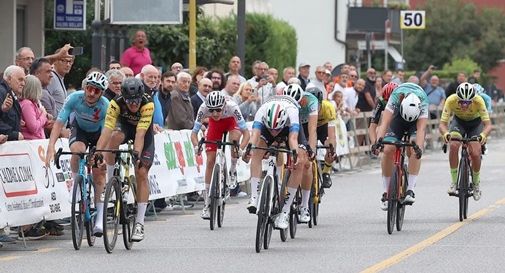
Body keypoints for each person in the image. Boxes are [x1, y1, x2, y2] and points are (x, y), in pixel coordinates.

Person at [45, 71, 109, 236]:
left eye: (97, 91)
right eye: (90, 88)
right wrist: (51, 146)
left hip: (99, 134)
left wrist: (99, 153)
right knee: (78, 151)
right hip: (79, 129)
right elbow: (59, 123)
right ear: (85, 86)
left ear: (102, 93)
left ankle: (100, 219)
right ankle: (76, 184)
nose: (92, 93)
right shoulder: (75, 98)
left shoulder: (105, 105)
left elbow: (106, 132)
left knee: (98, 173)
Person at [94, 78, 155, 242]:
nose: (133, 105)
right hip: (124, 127)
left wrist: (136, 153)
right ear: (124, 97)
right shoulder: (116, 102)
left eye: (136, 101)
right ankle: (112, 179)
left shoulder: (147, 104)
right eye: (129, 101)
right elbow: (106, 130)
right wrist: (99, 151)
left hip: (143, 132)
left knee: (141, 172)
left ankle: (140, 223)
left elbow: (141, 134)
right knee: (114, 136)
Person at [242, 96, 307, 229]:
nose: (274, 133)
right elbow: (254, 135)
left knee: (299, 163)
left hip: (288, 128)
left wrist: (294, 154)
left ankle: (285, 212)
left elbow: (293, 138)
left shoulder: (292, 113)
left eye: (276, 130)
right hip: (269, 122)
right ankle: (254, 197)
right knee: (256, 153)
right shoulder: (262, 112)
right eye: (272, 130)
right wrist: (248, 149)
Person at [191, 91, 250, 219]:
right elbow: (194, 133)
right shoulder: (203, 108)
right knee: (210, 161)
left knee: (234, 141)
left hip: (231, 122)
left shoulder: (232, 107)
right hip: (215, 126)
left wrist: (241, 148)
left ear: (224, 106)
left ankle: (233, 171)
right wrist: (197, 147)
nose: (215, 113)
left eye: (218, 110)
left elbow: (246, 133)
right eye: (212, 111)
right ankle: (207, 203)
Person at [371, 83, 428, 210]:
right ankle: (386, 192)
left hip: (415, 123)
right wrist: (378, 142)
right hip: (397, 119)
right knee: (388, 149)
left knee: (415, 150)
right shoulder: (396, 96)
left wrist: (418, 148)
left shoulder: (423, 102)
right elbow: (385, 123)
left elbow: (421, 129)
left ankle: (410, 190)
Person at [439, 82, 491, 201]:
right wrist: (446, 133)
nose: (464, 105)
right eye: (461, 102)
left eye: (467, 102)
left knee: (476, 153)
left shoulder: (479, 100)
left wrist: (483, 135)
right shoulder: (450, 100)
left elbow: (488, 125)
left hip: (475, 124)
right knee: (453, 145)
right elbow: (442, 124)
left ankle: (476, 183)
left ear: (472, 100)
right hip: (459, 123)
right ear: (457, 98)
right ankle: (453, 182)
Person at [283, 83, 318, 223]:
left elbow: (312, 130)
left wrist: (312, 149)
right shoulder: (283, 100)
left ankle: (304, 205)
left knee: (307, 164)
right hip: (289, 125)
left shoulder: (311, 102)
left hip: (305, 125)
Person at [305, 86, 337, 188]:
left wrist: (331, 148)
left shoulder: (328, 107)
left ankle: (326, 172)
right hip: (308, 127)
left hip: (324, 128)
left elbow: (331, 133)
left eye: (317, 104)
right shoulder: (304, 107)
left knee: (331, 146)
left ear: (321, 102)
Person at [19, 75, 52, 139]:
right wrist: (43, 115)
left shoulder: (33, 103)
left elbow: (38, 123)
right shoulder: (27, 104)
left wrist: (46, 119)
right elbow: (33, 128)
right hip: (31, 142)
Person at [0, 65, 25, 141]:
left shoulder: (10, 94)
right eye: (20, 80)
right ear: (9, 79)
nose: (23, 83)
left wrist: (17, 121)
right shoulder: (1, 92)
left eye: (24, 80)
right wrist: (13, 134)